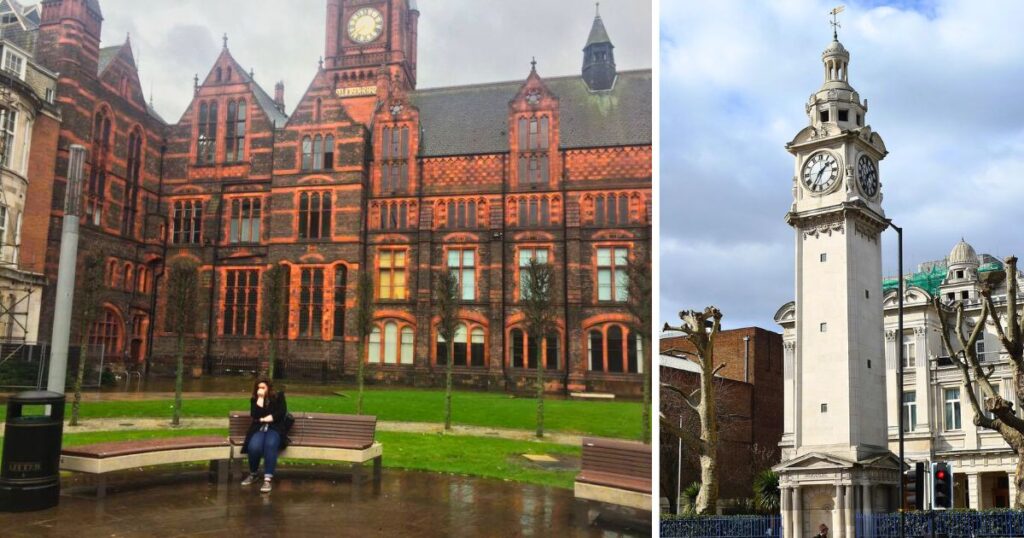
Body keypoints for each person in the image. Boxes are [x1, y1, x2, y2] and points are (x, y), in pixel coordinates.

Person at [240, 379, 289, 493]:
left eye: (263, 388)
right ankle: (253, 474)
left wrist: (267, 419)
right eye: (259, 388)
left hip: (275, 428)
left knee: (270, 444)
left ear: (268, 388)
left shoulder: (279, 396)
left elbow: (281, 412)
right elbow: (255, 415)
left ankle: (267, 479)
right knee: (254, 447)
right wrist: (260, 399)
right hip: (259, 428)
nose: (260, 390)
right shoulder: (255, 399)